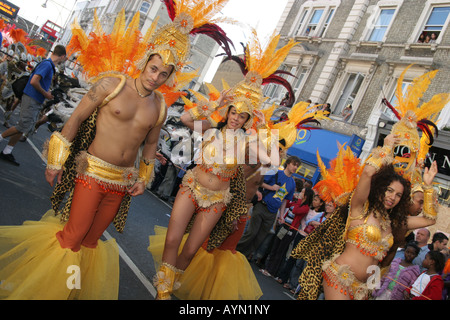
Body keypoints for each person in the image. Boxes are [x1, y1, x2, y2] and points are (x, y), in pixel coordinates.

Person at [0, 1, 229, 299]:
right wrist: (56, 161)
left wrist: (143, 178)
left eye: (163, 74)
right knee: (73, 236)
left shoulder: (160, 106)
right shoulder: (112, 84)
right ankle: (44, 290)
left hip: (121, 182)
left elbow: (149, 147)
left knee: (93, 241)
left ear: (170, 77)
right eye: (153, 69)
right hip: (92, 170)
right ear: (146, 61)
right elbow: (77, 118)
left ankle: (69, 291)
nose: (155, 77)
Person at [151, 29, 299, 300]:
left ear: (246, 120)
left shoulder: (248, 143)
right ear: (228, 112)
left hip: (218, 198)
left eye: (243, 116)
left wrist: (266, 128)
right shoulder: (211, 129)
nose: (236, 118)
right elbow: (185, 119)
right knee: (172, 240)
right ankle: (163, 287)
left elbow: (272, 161)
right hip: (192, 186)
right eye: (234, 113)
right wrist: (216, 103)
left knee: (191, 248)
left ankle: (171, 282)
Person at [0, 45, 66, 166]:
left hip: (34, 99)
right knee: (22, 126)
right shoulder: (47, 65)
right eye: (64, 58)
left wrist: (47, 93)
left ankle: (7, 151)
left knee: (23, 126)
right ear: (62, 56)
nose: (63, 61)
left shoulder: (49, 65)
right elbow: (34, 81)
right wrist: (46, 94)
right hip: (31, 98)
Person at [236, 155, 300, 260]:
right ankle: (236, 250)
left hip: (273, 212)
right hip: (262, 206)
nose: (295, 167)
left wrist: (281, 216)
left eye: (297, 166)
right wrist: (271, 187)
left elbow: (285, 200)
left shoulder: (292, 183)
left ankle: (244, 256)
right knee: (252, 233)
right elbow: (259, 182)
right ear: (288, 163)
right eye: (294, 164)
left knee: (260, 237)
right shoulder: (276, 173)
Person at [261, 186, 314, 278]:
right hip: (284, 226)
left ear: (305, 196)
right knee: (275, 246)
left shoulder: (305, 207)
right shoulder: (296, 202)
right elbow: (287, 204)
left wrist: (299, 201)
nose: (300, 194)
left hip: (291, 230)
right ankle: (267, 267)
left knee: (281, 250)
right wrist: (292, 198)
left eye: (302, 192)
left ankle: (272, 271)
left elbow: (295, 210)